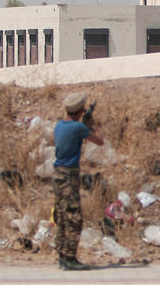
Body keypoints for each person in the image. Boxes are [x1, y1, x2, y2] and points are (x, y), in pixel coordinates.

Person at [53, 92, 103, 270]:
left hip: (57, 174)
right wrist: (90, 123)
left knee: (61, 215)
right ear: (80, 110)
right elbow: (99, 141)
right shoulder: (78, 128)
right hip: (69, 175)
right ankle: (70, 258)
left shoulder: (59, 126)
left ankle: (61, 255)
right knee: (74, 217)